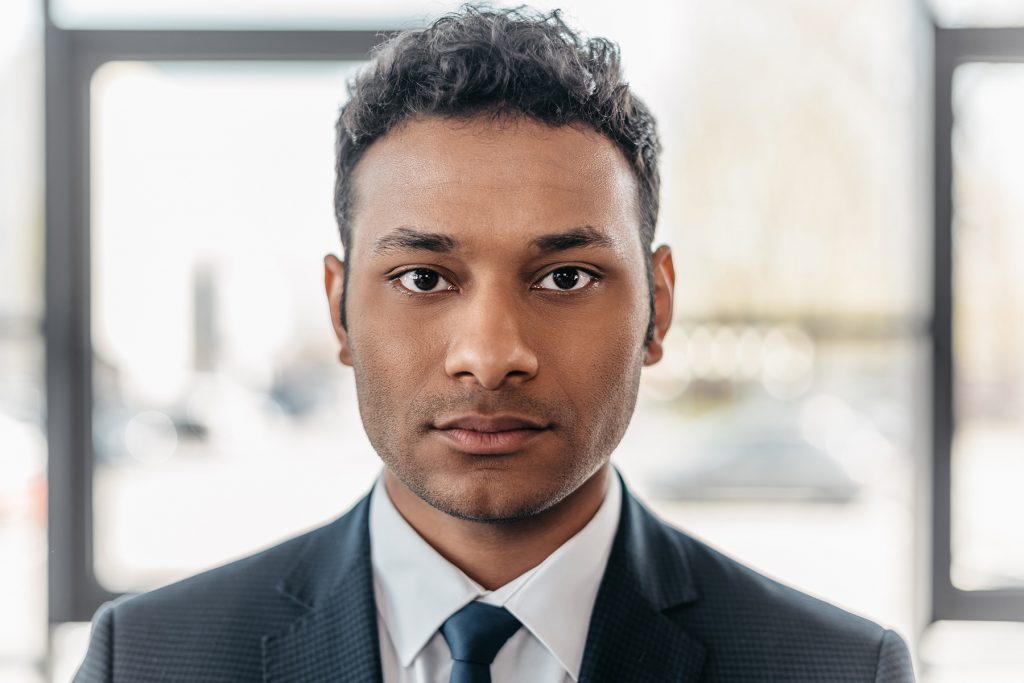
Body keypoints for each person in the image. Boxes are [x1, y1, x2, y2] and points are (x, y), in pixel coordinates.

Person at [75, 6, 915, 682]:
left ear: (658, 306)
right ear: (339, 311)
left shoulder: (838, 668)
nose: (489, 354)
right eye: (424, 278)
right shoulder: (149, 659)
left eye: (565, 278)